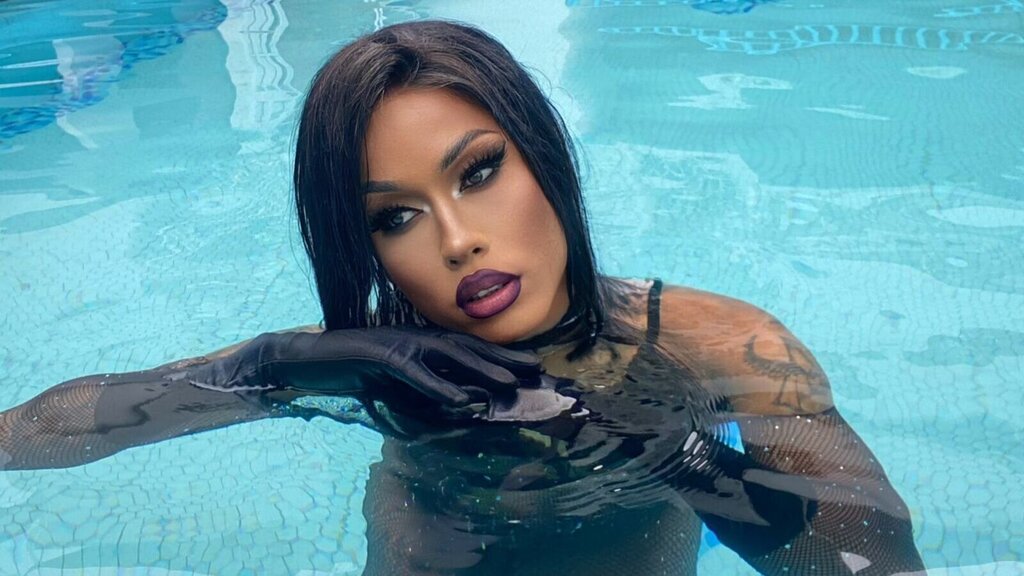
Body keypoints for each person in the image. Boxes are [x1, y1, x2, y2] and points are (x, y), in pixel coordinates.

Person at [0, 20, 924, 576]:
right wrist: (267, 365)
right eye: (395, 217)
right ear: (365, 249)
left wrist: (675, 459)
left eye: (479, 172)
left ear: (543, 156)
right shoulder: (376, 365)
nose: (456, 239)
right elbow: (40, 435)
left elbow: (872, 564)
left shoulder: (717, 345)